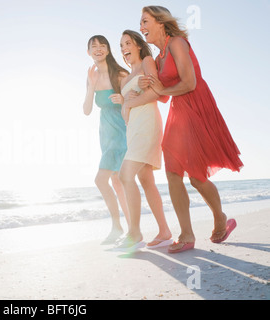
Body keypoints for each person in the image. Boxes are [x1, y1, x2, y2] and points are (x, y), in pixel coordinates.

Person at [139, 6, 243, 253]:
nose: (141, 26)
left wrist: (162, 90)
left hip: (196, 104)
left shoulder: (177, 42)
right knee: (173, 171)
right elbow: (163, 97)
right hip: (178, 109)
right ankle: (186, 235)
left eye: (145, 21)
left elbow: (190, 82)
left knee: (196, 176)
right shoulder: (158, 57)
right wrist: (147, 84)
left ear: (161, 22)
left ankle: (220, 218)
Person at [114, 30, 172, 251]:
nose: (124, 48)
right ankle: (165, 232)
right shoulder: (125, 78)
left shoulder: (147, 61)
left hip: (148, 126)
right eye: (121, 46)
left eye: (127, 43)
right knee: (146, 180)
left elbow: (157, 92)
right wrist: (126, 103)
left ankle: (135, 234)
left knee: (124, 175)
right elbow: (125, 113)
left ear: (138, 45)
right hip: (133, 130)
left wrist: (131, 101)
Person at [83, 35, 130, 244]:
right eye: (94, 46)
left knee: (101, 180)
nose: (98, 49)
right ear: (88, 52)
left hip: (121, 131)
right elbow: (86, 110)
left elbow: (136, 100)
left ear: (108, 50)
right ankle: (126, 229)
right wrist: (91, 86)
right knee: (116, 182)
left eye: (102, 46)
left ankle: (121, 227)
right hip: (105, 133)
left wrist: (124, 98)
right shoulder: (91, 75)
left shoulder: (120, 74)